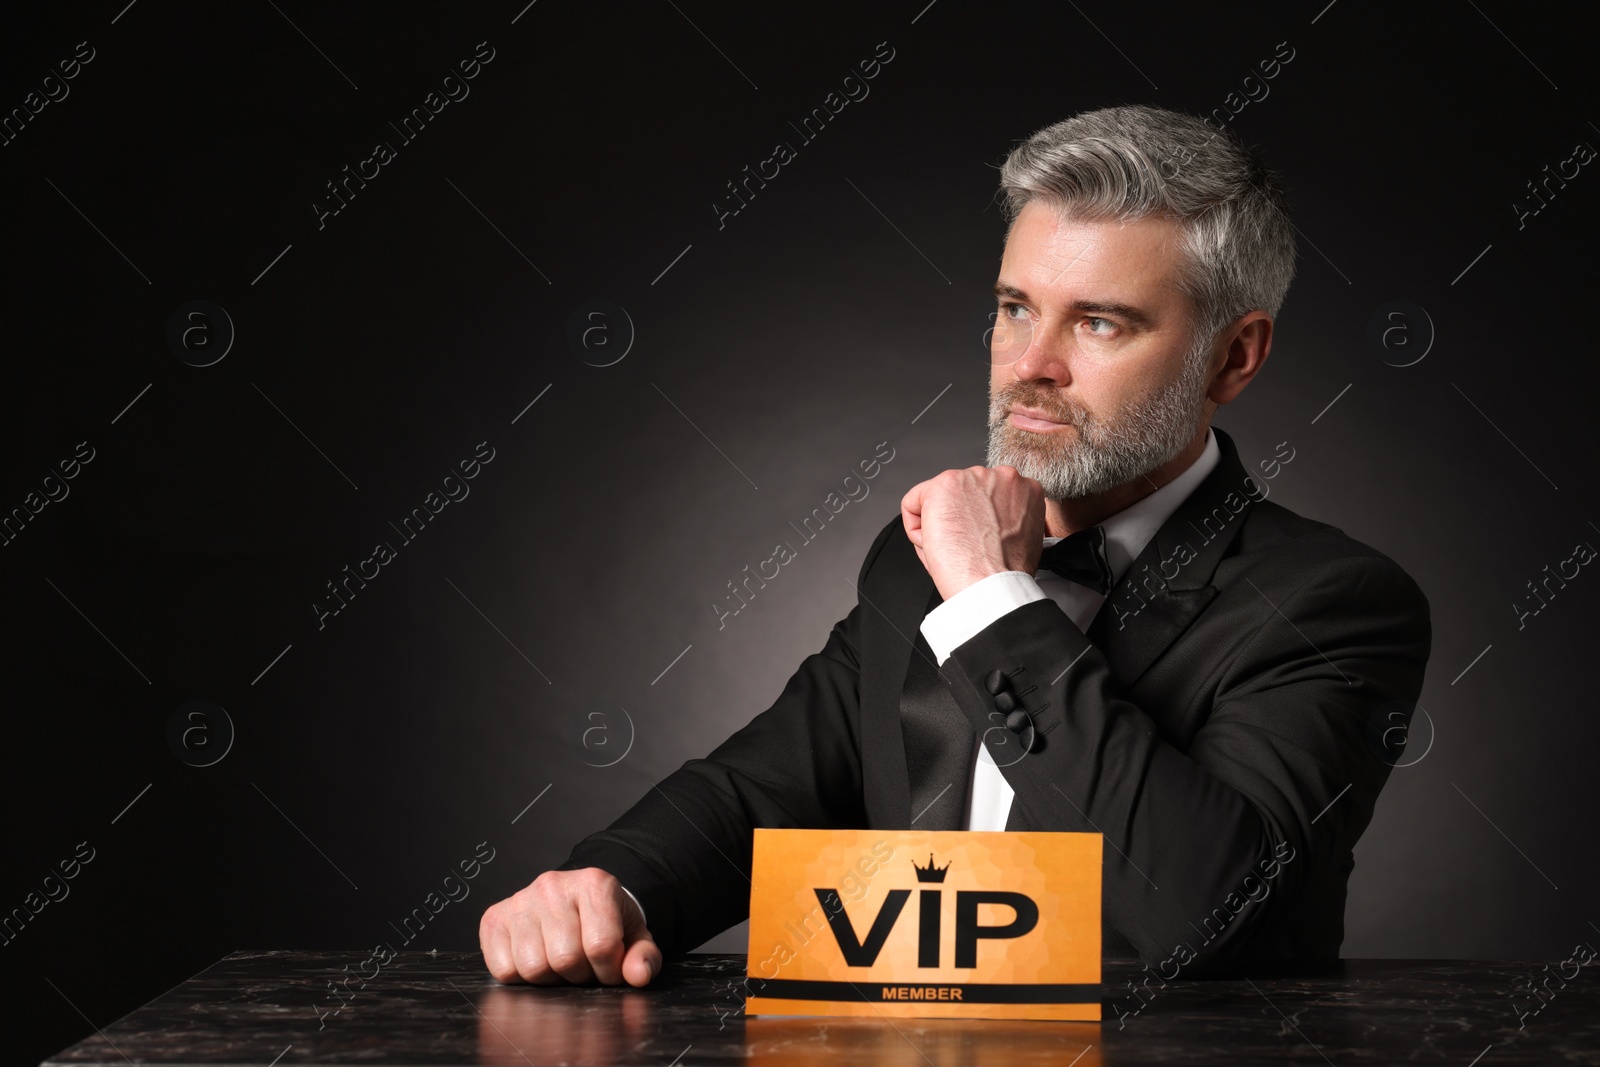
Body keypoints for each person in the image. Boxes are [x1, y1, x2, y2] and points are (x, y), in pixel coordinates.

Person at [478, 104, 1432, 988]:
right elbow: (766, 785)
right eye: (1016, 307)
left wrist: (989, 598)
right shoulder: (915, 558)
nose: (1030, 366)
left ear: (1235, 355)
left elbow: (1211, 910)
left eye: (1098, 321)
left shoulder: (1332, 599)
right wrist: (608, 888)